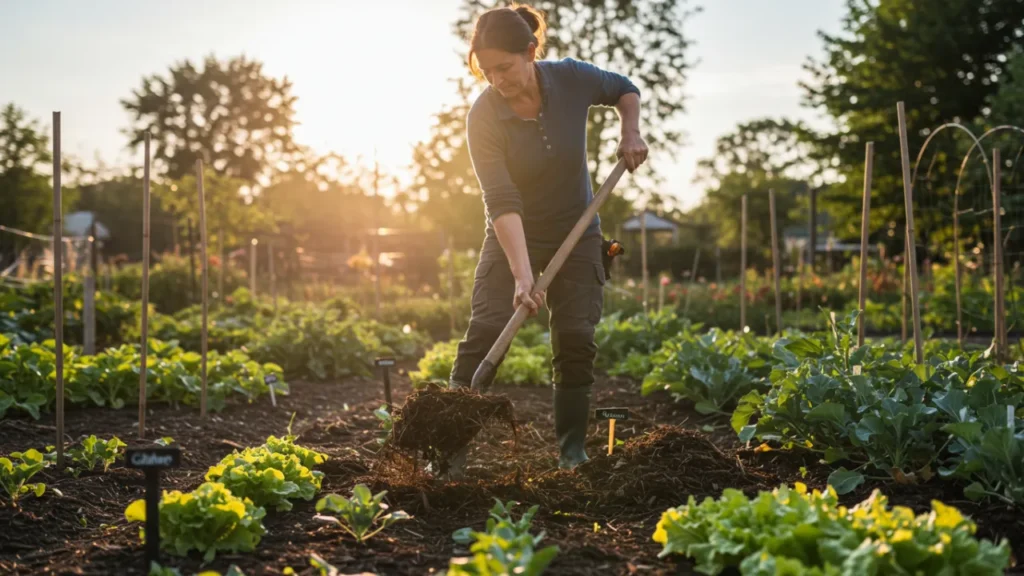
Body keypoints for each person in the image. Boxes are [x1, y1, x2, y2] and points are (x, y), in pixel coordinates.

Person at [447, 3, 649, 476]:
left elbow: (624, 90)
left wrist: (631, 131)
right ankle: (450, 446)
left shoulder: (572, 78)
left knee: (576, 336)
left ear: (531, 51)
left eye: (505, 67)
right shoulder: (484, 117)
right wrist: (522, 275)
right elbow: (500, 200)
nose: (497, 79)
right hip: (512, 233)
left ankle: (571, 450)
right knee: (488, 326)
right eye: (487, 70)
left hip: (577, 232)